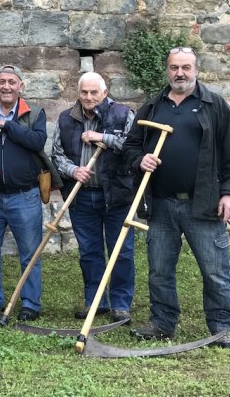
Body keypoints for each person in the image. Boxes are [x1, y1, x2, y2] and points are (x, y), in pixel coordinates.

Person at [124, 47, 230, 348]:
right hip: (161, 203)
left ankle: (222, 327)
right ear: (167, 70)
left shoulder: (214, 104)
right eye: (174, 67)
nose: (180, 73)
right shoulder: (152, 107)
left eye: (186, 67)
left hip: (203, 202)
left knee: (214, 270)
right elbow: (131, 147)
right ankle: (162, 323)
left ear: (197, 70)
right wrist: (140, 160)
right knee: (159, 269)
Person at [0, 65, 60, 321]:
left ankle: (30, 303)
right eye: (2, 82)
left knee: (29, 252)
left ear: (21, 86)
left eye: (12, 82)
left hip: (24, 196)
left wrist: (7, 126)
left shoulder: (34, 113)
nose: (6, 86)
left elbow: (37, 141)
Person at [51, 72, 136, 323]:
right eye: (84, 92)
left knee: (121, 252)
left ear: (104, 93)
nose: (89, 97)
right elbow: (57, 154)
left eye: (94, 92)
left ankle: (121, 304)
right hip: (82, 197)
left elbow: (133, 146)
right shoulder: (66, 118)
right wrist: (72, 170)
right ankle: (96, 302)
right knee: (89, 252)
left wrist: (102, 138)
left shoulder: (122, 114)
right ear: (78, 93)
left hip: (117, 195)